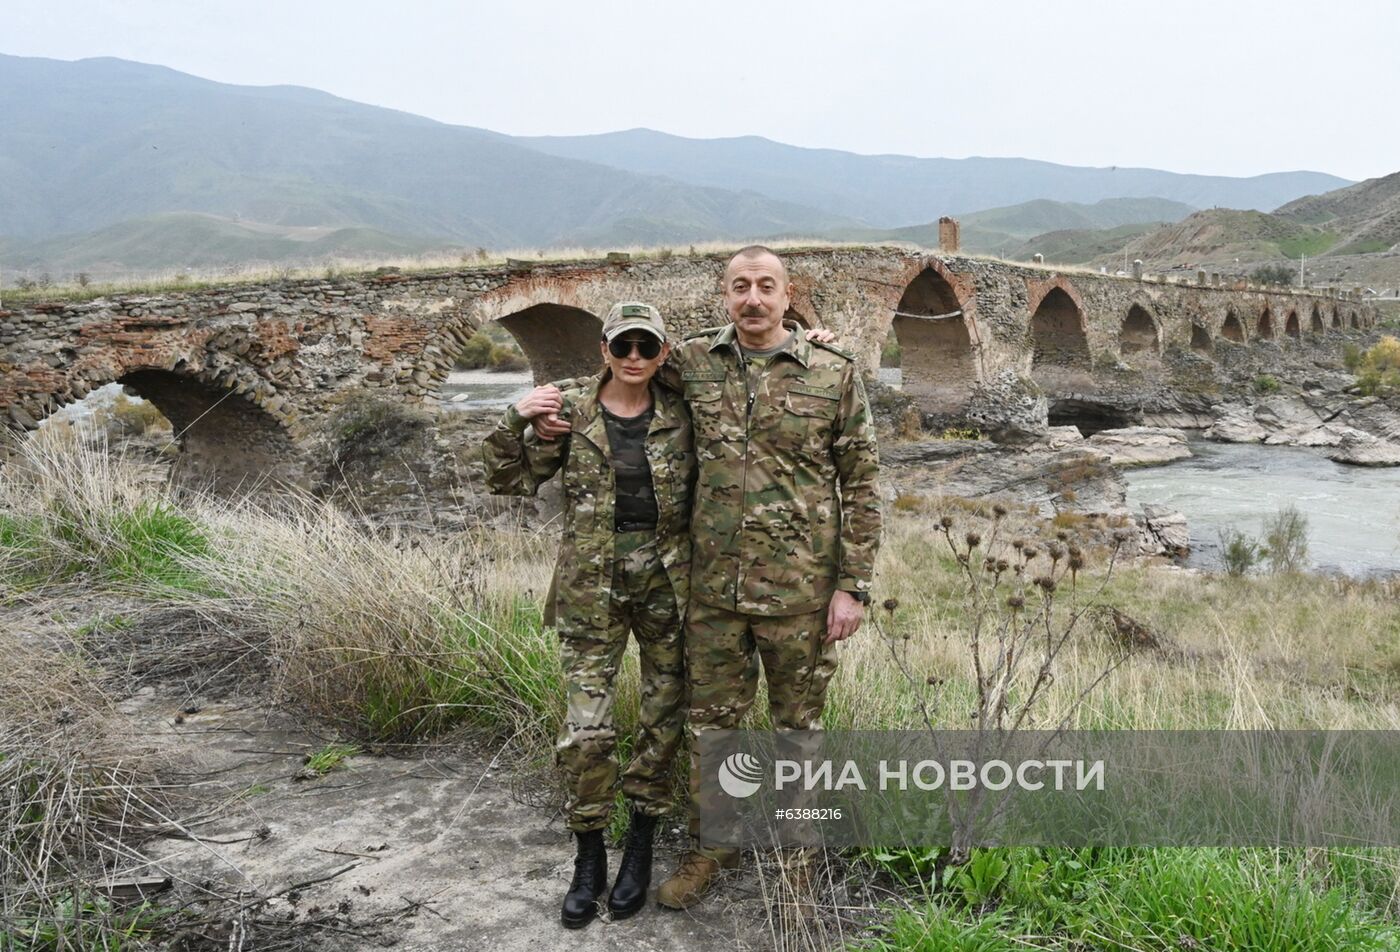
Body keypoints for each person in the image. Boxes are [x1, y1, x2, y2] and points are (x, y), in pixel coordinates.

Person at [532, 246, 883, 911]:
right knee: (710, 731)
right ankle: (710, 850)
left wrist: (853, 585)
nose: (753, 298)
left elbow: (862, 483)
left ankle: (795, 862)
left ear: (788, 294)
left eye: (766, 287)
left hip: (800, 593)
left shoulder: (833, 374)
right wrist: (540, 410)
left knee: (797, 730)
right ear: (725, 294)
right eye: (740, 286)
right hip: (711, 594)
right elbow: (620, 376)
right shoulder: (690, 361)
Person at [482, 301, 694, 929]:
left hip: (667, 586)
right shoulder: (567, 410)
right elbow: (507, 480)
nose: (633, 358)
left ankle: (641, 847)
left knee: (662, 722)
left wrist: (807, 339)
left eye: (646, 348)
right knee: (587, 730)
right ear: (603, 348)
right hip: (588, 589)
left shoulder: (684, 411)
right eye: (622, 346)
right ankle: (590, 852)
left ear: (662, 353)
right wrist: (514, 419)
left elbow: (748, 370)